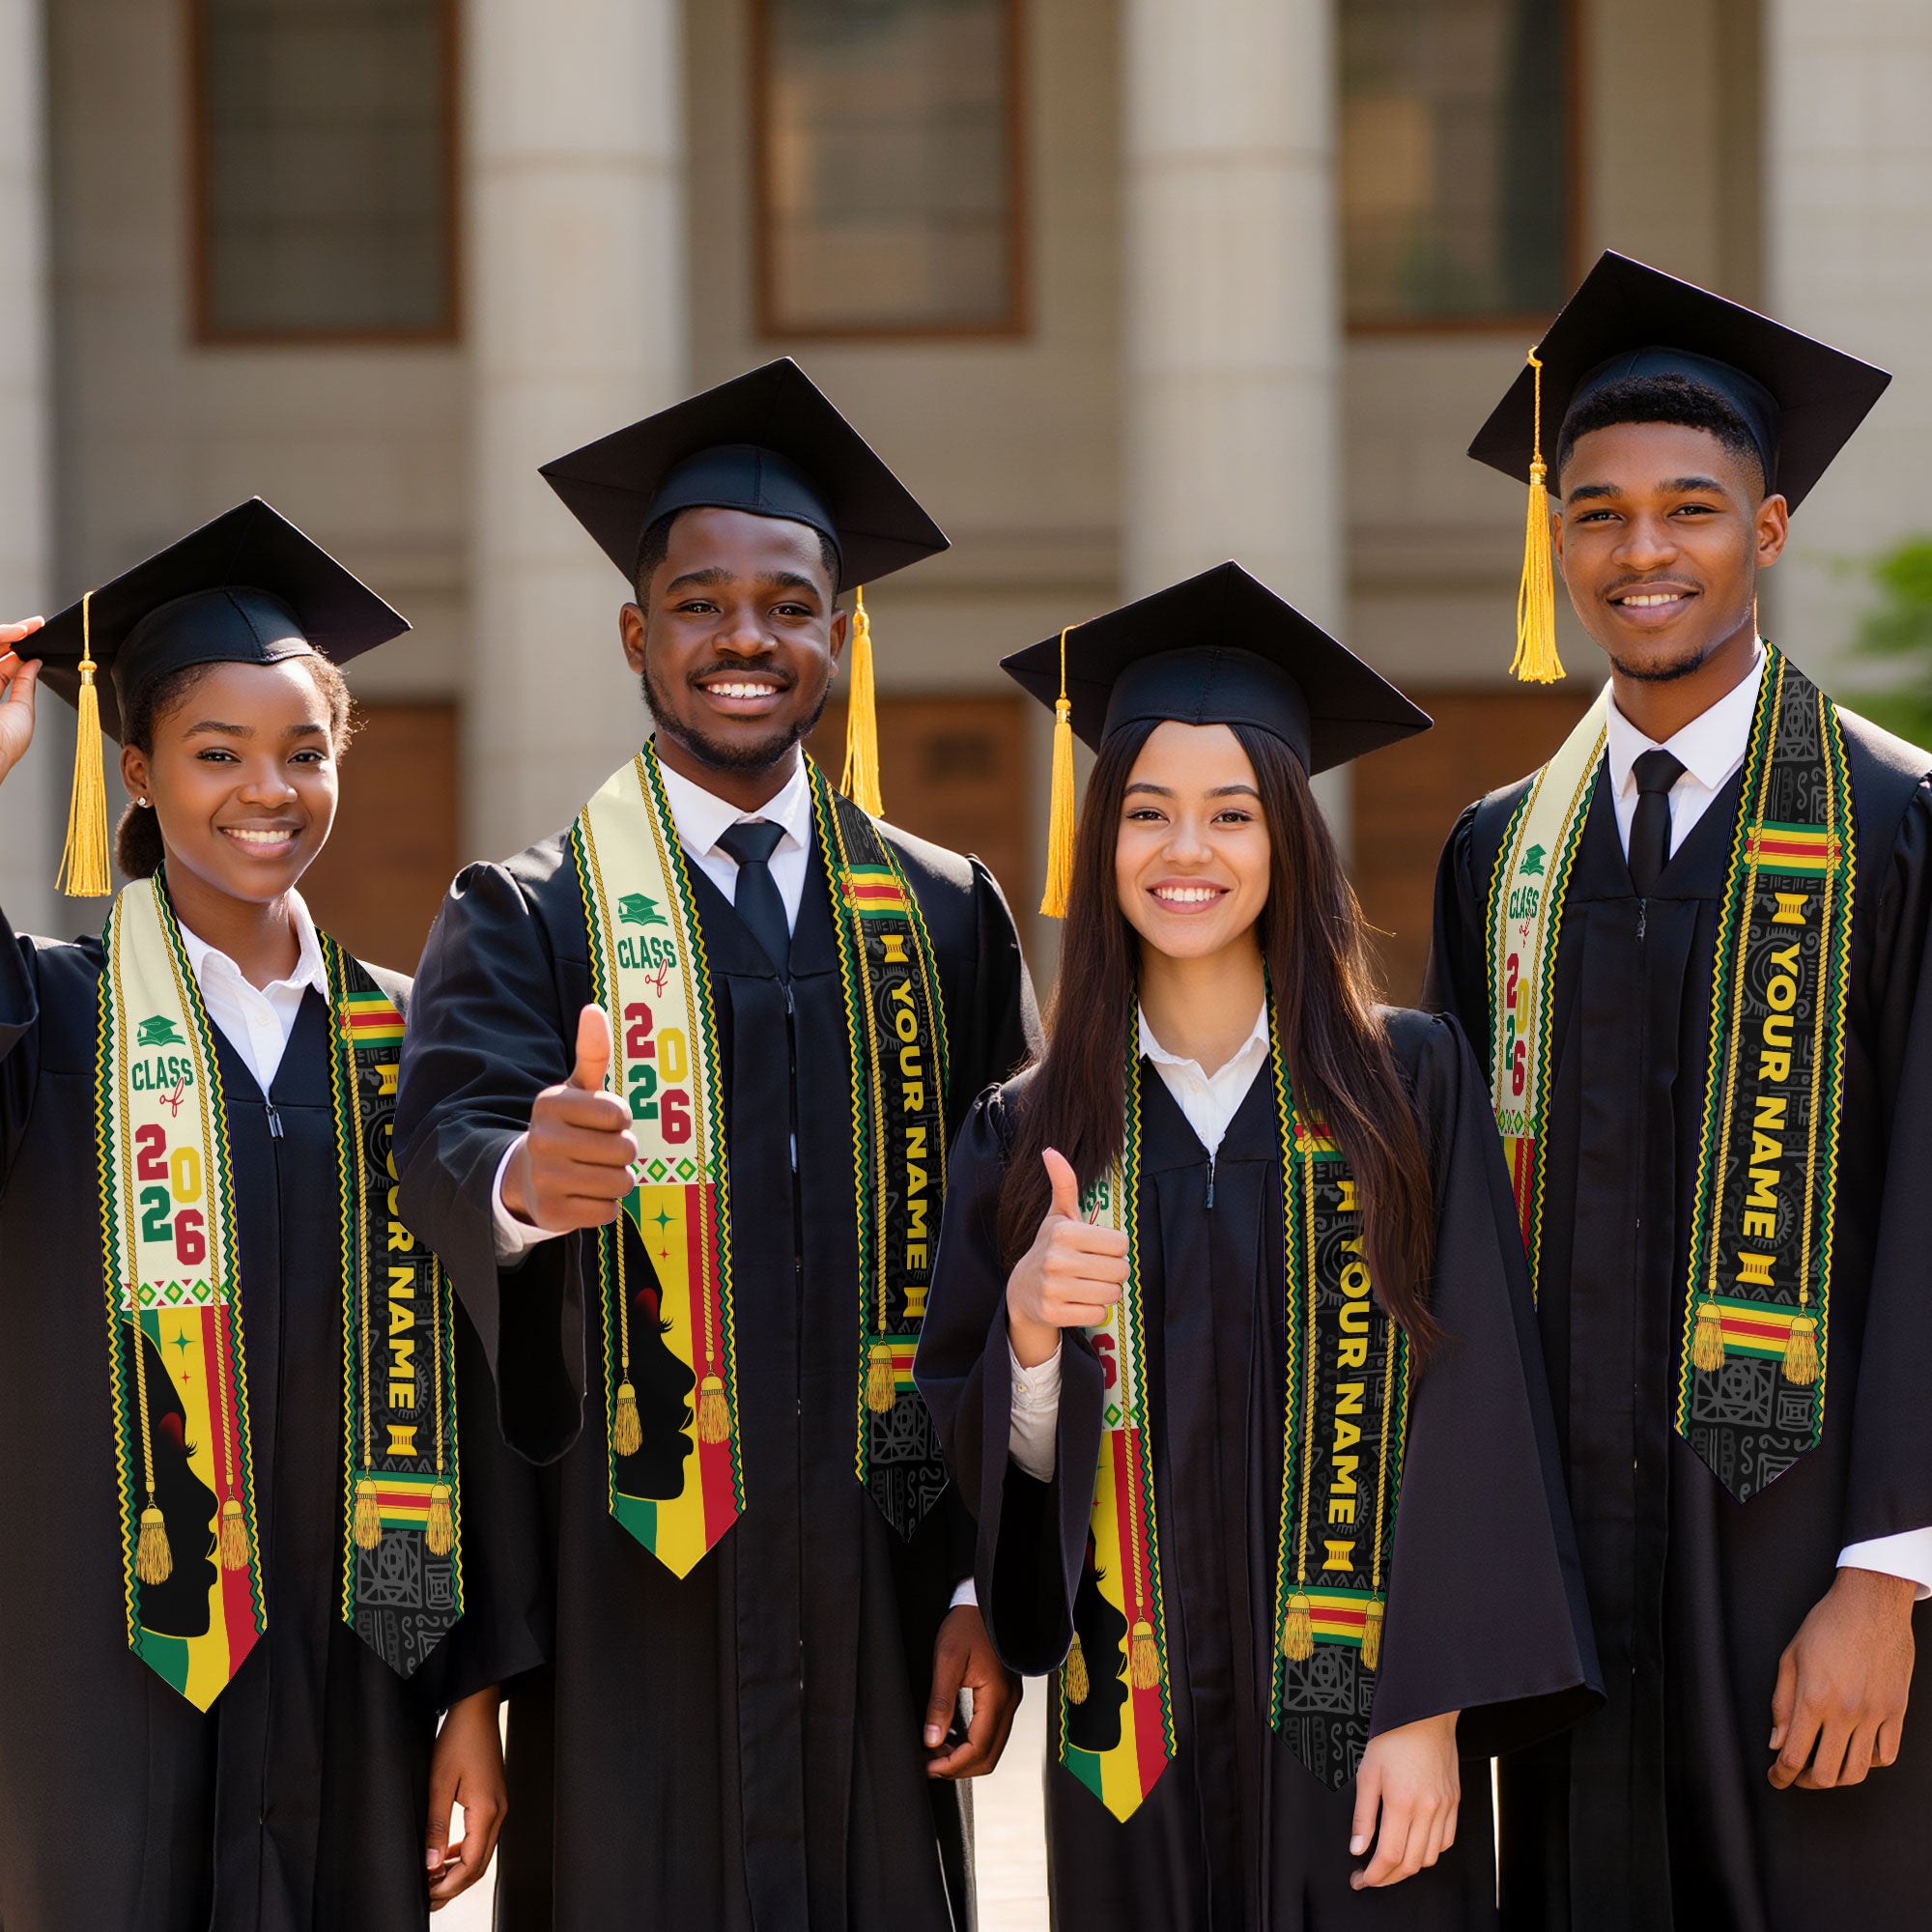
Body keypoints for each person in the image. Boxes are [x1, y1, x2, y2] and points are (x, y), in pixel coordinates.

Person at [393, 359, 1038, 1928]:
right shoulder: (530, 915)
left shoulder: (944, 915)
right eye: (698, 603)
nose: (744, 638)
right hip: (634, 1594)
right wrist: (522, 1186)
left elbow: (1021, 1252)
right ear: (638, 634)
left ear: (839, 634)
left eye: (788, 603)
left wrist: (980, 1587)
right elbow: (442, 1149)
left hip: (886, 1590)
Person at [917, 562, 1599, 1930]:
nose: (1188, 853)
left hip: (1368, 1741)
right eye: (1149, 813)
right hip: (1133, 1749)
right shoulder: (1031, 1129)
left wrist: (1432, 1709)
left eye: (1231, 814)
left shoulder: (1411, 1089)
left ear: (1287, 839)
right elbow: (987, 1472)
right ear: (1100, 842)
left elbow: (1479, 1410)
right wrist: (1033, 1344)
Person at [1427, 251, 1932, 1932]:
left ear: (1769, 531)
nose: (1643, 551)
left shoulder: (1898, 825)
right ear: (1555, 539)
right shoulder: (1502, 855)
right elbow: (1448, 1244)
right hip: (1567, 1574)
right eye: (1598, 511)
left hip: (1807, 1566)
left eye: (1692, 508)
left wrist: (1891, 1571)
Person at [0, 498, 547, 1931]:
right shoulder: (54, 1019)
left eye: (305, 754)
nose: (268, 790)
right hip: (94, 1678)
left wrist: (473, 1697)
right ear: (134, 771)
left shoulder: (414, 1044)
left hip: (359, 1664)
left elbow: (482, 1388)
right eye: (216, 754)